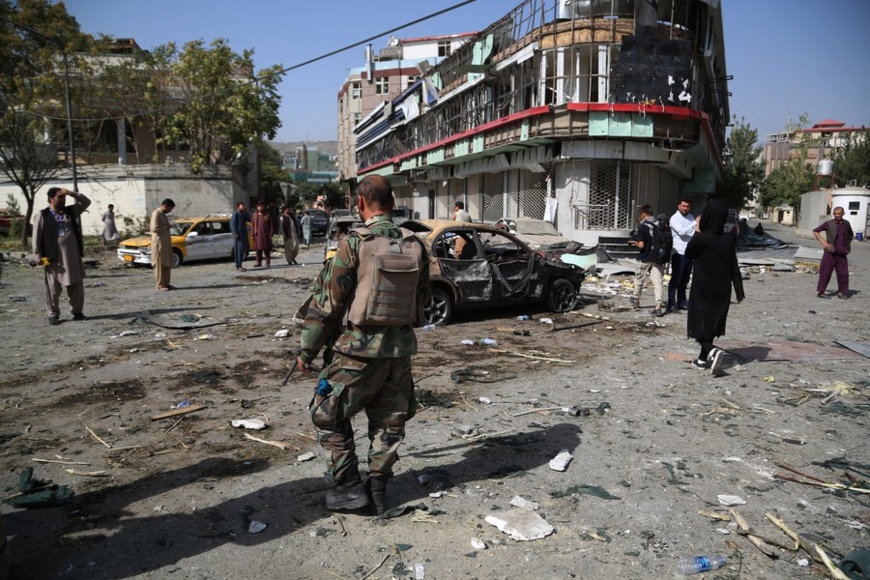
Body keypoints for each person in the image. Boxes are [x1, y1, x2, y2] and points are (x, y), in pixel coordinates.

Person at [297, 174, 430, 516]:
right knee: (389, 422)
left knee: (326, 413)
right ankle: (380, 492)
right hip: (399, 353)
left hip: (356, 352)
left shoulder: (354, 242)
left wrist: (307, 352)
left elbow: (327, 305)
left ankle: (349, 488)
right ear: (393, 202)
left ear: (360, 204)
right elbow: (423, 299)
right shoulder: (415, 244)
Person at [685, 199, 745, 377]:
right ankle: (702, 359)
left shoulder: (702, 238)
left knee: (697, 325)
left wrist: (696, 233)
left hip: (703, 288)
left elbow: (689, 253)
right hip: (722, 290)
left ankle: (711, 350)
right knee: (711, 324)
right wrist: (739, 292)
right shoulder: (727, 240)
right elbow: (734, 267)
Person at [33, 187, 91, 325]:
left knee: (76, 286)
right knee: (53, 288)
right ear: (51, 199)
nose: (63, 200)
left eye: (64, 198)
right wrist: (37, 256)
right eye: (60, 198)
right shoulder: (42, 215)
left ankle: (77, 312)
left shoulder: (70, 211)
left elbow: (86, 202)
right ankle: (53, 314)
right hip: (54, 258)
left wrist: (71, 193)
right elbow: (36, 237)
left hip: (72, 256)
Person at [629, 205, 665, 317]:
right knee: (658, 282)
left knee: (639, 279)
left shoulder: (643, 227)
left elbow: (641, 245)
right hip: (658, 258)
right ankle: (658, 306)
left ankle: (636, 301)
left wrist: (634, 243)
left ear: (643, 214)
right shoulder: (660, 225)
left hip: (644, 257)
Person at [813, 206, 854, 299]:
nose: (837, 215)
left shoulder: (846, 223)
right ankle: (821, 292)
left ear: (843, 213)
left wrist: (847, 247)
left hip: (842, 253)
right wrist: (824, 242)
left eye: (839, 214)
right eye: (835, 214)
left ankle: (842, 293)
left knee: (843, 274)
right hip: (830, 252)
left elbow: (850, 235)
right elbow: (815, 231)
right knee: (825, 272)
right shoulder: (829, 223)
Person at [667, 198, 696, 314]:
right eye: (683, 206)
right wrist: (694, 224)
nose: (685, 208)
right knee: (676, 279)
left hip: (689, 252)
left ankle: (682, 301)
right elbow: (681, 232)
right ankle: (671, 303)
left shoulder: (690, 217)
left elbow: (693, 233)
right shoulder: (674, 218)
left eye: (687, 206)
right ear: (679, 206)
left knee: (685, 279)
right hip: (678, 252)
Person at [150, 198, 175, 291]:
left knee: (167, 263)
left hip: (165, 244)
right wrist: (167, 226)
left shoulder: (163, 214)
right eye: (169, 209)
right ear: (165, 206)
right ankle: (160, 285)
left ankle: (166, 283)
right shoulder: (156, 213)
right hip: (159, 244)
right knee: (160, 264)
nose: (170, 211)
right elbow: (154, 229)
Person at [251, 200, 273, 267]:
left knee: (266, 249)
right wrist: (252, 234)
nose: (260, 208)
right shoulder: (254, 215)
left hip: (265, 235)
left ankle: (267, 262)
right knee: (258, 249)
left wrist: (270, 234)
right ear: (257, 207)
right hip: (257, 235)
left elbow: (271, 225)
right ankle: (258, 262)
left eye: (262, 206)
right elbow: (252, 225)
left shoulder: (267, 215)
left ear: (264, 207)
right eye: (259, 206)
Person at [230, 201, 250, 272]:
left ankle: (240, 265)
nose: (243, 207)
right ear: (238, 206)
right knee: (239, 251)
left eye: (244, 206)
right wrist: (235, 233)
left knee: (242, 251)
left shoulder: (242, 214)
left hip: (243, 235)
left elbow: (248, 219)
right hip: (238, 236)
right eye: (242, 206)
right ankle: (238, 265)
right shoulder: (236, 214)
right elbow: (233, 224)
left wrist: (246, 211)